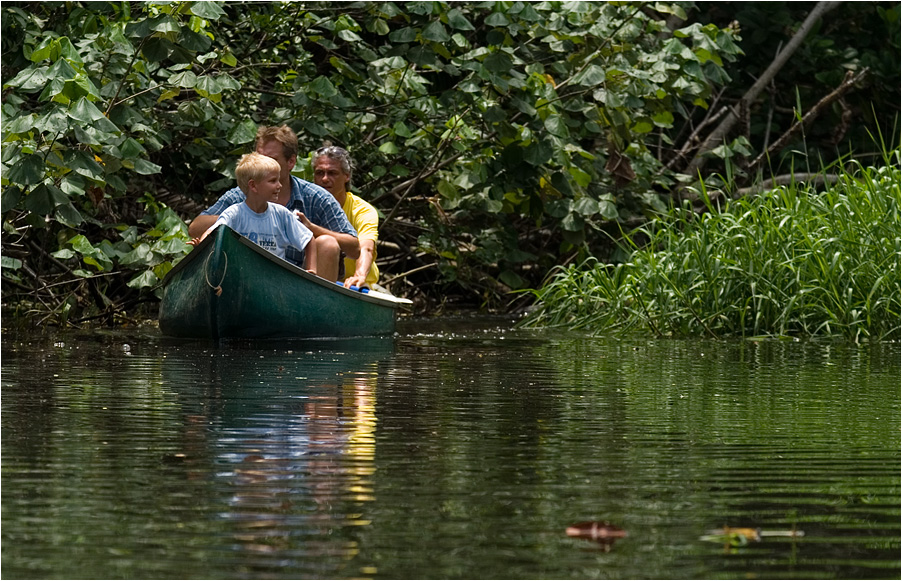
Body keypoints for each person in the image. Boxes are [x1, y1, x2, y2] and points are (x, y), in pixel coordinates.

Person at [188, 125, 358, 282]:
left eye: (271, 159)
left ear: (291, 162)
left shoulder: (316, 197)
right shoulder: (242, 194)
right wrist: (245, 213)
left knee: (327, 243)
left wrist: (312, 228)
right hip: (247, 276)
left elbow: (355, 249)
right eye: (259, 158)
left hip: (298, 280)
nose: (264, 165)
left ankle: (316, 309)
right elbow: (195, 229)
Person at [189, 153, 318, 274]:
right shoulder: (235, 213)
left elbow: (308, 239)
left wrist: (312, 270)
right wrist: (202, 244)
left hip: (275, 279)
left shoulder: (281, 214)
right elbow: (213, 231)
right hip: (241, 276)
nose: (279, 186)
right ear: (253, 186)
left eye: (279, 180)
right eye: (273, 181)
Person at [312, 145, 380, 290]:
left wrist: (359, 275)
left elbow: (366, 248)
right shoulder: (306, 203)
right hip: (316, 279)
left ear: (346, 176)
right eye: (319, 173)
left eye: (332, 173)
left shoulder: (363, 210)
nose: (324, 179)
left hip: (354, 285)